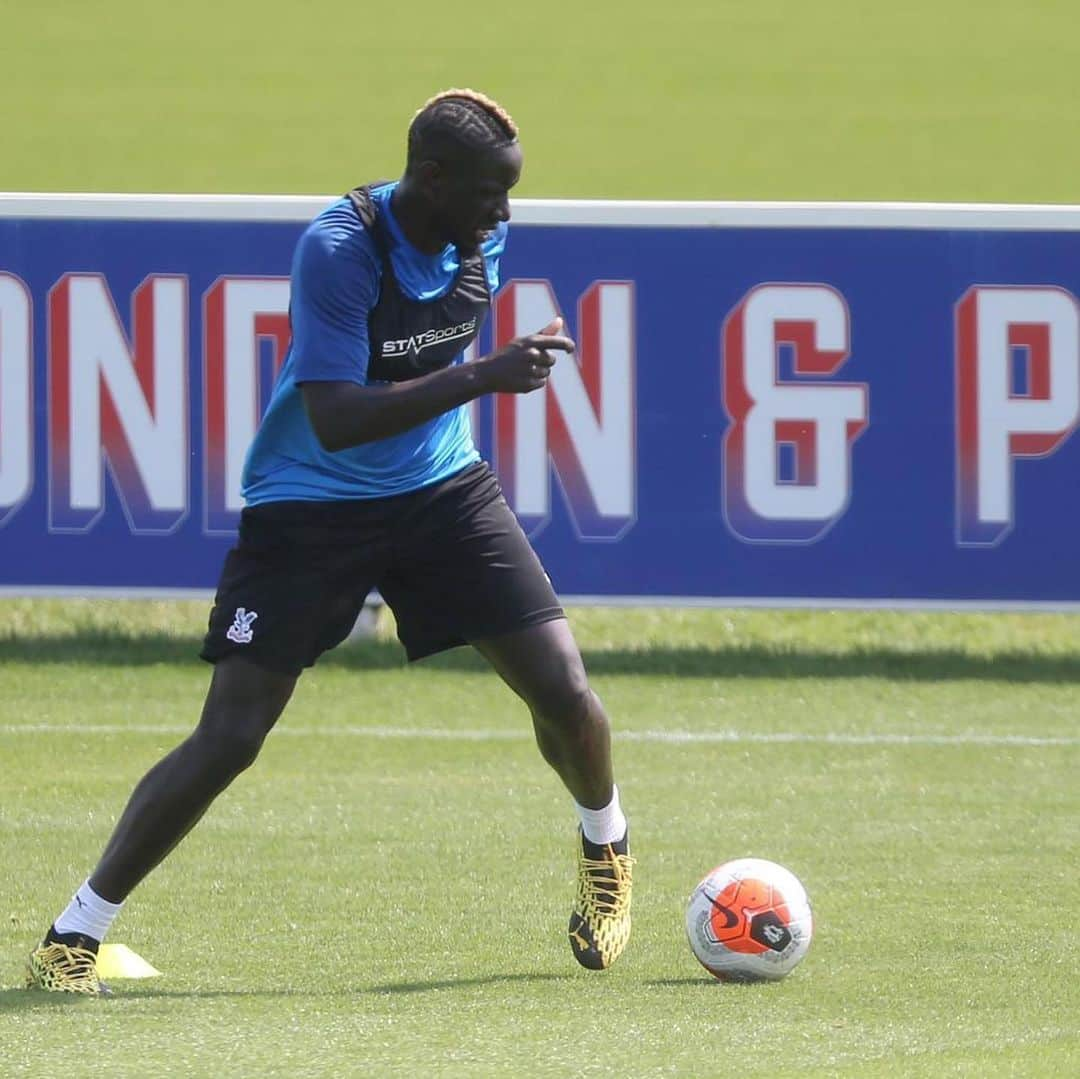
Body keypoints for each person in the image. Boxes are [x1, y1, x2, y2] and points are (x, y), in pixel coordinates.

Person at [27, 88, 633, 995]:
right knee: (231, 735)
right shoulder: (340, 249)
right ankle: (72, 937)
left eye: (510, 194)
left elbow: (438, 346)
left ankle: (606, 844)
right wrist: (485, 374)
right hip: (313, 505)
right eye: (487, 194)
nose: (504, 214)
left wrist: (475, 365)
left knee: (566, 690)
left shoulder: (482, 238)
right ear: (428, 178)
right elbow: (338, 416)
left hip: (443, 493)